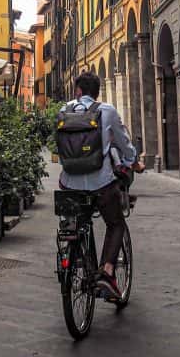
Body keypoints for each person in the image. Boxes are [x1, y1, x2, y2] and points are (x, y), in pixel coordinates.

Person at [58, 70, 144, 301]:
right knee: (115, 223)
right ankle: (106, 272)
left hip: (69, 184)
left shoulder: (64, 110)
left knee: (76, 221)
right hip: (101, 183)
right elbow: (125, 146)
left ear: (77, 91)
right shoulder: (107, 111)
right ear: (97, 93)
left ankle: (75, 255)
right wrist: (134, 162)